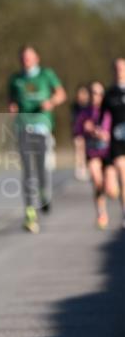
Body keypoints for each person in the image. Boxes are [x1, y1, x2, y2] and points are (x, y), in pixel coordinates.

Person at [8, 46, 67, 233]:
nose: (26, 60)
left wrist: (51, 102)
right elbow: (12, 100)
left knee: (41, 168)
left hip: (42, 127)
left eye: (29, 57)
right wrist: (12, 107)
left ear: (37, 58)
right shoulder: (15, 79)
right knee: (27, 170)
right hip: (23, 127)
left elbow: (61, 94)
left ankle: (43, 195)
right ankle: (30, 212)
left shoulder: (46, 75)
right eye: (23, 57)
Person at [72, 81, 112, 228]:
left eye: (99, 93)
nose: (96, 96)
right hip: (93, 152)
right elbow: (78, 136)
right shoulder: (84, 114)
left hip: (109, 153)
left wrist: (102, 134)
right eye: (93, 93)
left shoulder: (109, 112)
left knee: (111, 190)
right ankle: (101, 213)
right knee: (97, 180)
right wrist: (79, 160)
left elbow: (113, 133)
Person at [100, 57, 125, 228]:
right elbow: (102, 119)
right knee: (123, 174)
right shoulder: (109, 94)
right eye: (116, 68)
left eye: (122, 68)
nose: (119, 71)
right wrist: (102, 132)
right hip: (117, 140)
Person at [70, 84, 90, 180]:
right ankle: (79, 168)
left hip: (88, 132)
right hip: (78, 131)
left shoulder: (90, 106)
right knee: (79, 149)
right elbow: (73, 120)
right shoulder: (75, 106)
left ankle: (86, 167)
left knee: (87, 149)